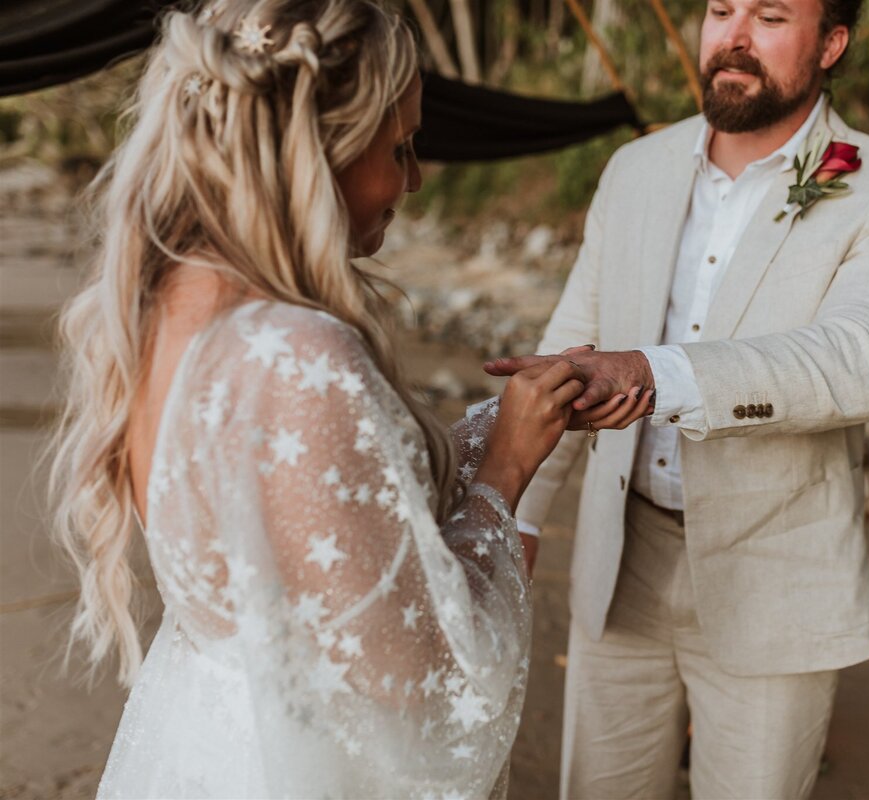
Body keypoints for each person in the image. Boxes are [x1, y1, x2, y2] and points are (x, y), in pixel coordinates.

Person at [47, 1, 584, 797]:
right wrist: (504, 470)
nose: (413, 179)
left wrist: (493, 426)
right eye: (399, 146)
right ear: (317, 147)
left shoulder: (161, 307)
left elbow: (329, 523)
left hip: (201, 739)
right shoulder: (299, 357)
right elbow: (427, 681)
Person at [485, 0, 869, 796]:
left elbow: (860, 360)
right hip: (619, 557)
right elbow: (570, 351)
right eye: (720, 9)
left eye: (768, 15)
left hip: (774, 575)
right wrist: (514, 515)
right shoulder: (636, 168)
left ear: (831, 43)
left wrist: (653, 374)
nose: (732, 38)